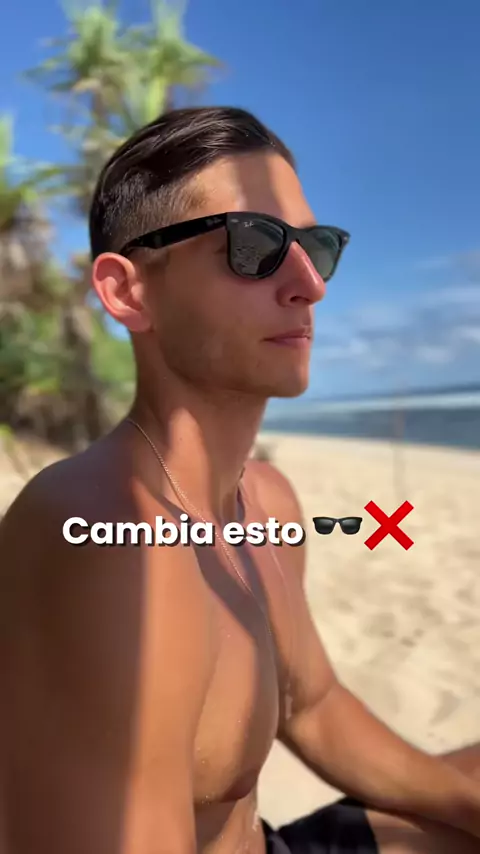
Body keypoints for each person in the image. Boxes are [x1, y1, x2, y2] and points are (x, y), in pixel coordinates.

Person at [0, 106, 479, 854]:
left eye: (316, 247)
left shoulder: (267, 500)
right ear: (128, 292)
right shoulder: (107, 537)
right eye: (253, 245)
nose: (309, 285)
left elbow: (312, 706)